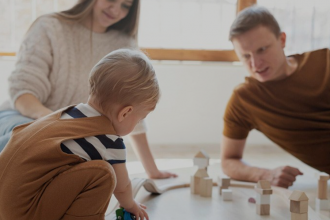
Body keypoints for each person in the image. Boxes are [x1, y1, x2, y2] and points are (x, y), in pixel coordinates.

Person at [0, 0, 176, 179]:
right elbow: (23, 92)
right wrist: (58, 125)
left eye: (125, 6)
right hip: (25, 119)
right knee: (28, 142)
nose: (115, 10)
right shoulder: (49, 27)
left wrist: (152, 170)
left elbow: (133, 111)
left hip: (74, 133)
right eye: (111, 0)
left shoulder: (124, 44)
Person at [0, 48, 157, 220]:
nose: (137, 124)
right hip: (24, 212)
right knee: (103, 174)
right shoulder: (110, 141)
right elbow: (123, 188)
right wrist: (131, 205)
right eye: (139, 119)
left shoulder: (67, 114)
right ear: (125, 113)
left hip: (7, 203)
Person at [221, 5, 330, 188]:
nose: (256, 63)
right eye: (246, 56)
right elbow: (228, 160)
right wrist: (265, 174)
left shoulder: (325, 62)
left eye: (262, 49)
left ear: (282, 40)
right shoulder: (244, 100)